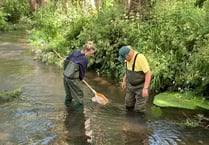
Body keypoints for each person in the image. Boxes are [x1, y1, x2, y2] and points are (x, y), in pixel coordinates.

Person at [118, 45, 152, 113]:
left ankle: (138, 123)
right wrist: (124, 81)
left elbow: (148, 73)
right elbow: (127, 70)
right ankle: (128, 122)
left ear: (128, 55)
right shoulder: (127, 59)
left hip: (141, 86)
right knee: (128, 105)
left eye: (124, 58)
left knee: (139, 110)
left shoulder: (140, 58)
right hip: (130, 86)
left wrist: (145, 88)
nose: (124, 60)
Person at [63, 41, 96, 107]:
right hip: (73, 79)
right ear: (86, 51)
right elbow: (82, 72)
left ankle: (67, 109)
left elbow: (66, 60)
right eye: (91, 53)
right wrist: (81, 78)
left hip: (65, 76)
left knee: (68, 94)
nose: (91, 55)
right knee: (79, 96)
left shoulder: (76, 52)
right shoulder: (84, 59)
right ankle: (79, 115)